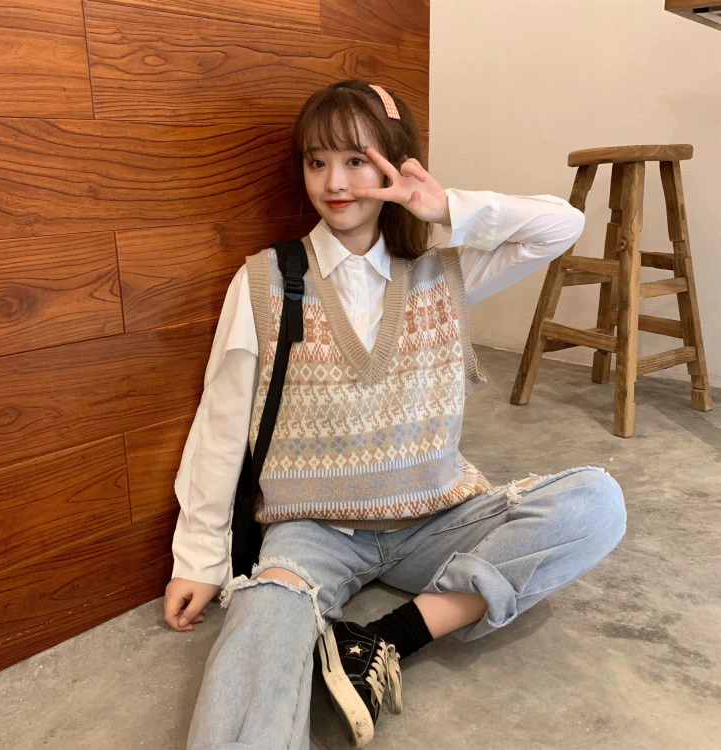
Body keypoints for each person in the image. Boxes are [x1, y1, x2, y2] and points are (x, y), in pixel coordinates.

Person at [163, 79, 627, 750]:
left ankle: (385, 639)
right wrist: (199, 558)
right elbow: (222, 423)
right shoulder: (266, 281)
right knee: (256, 635)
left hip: (436, 519)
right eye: (317, 161)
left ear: (396, 163)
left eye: (358, 160)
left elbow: (563, 226)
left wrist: (445, 207)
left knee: (595, 501)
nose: (334, 181)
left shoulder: (443, 273)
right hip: (314, 529)